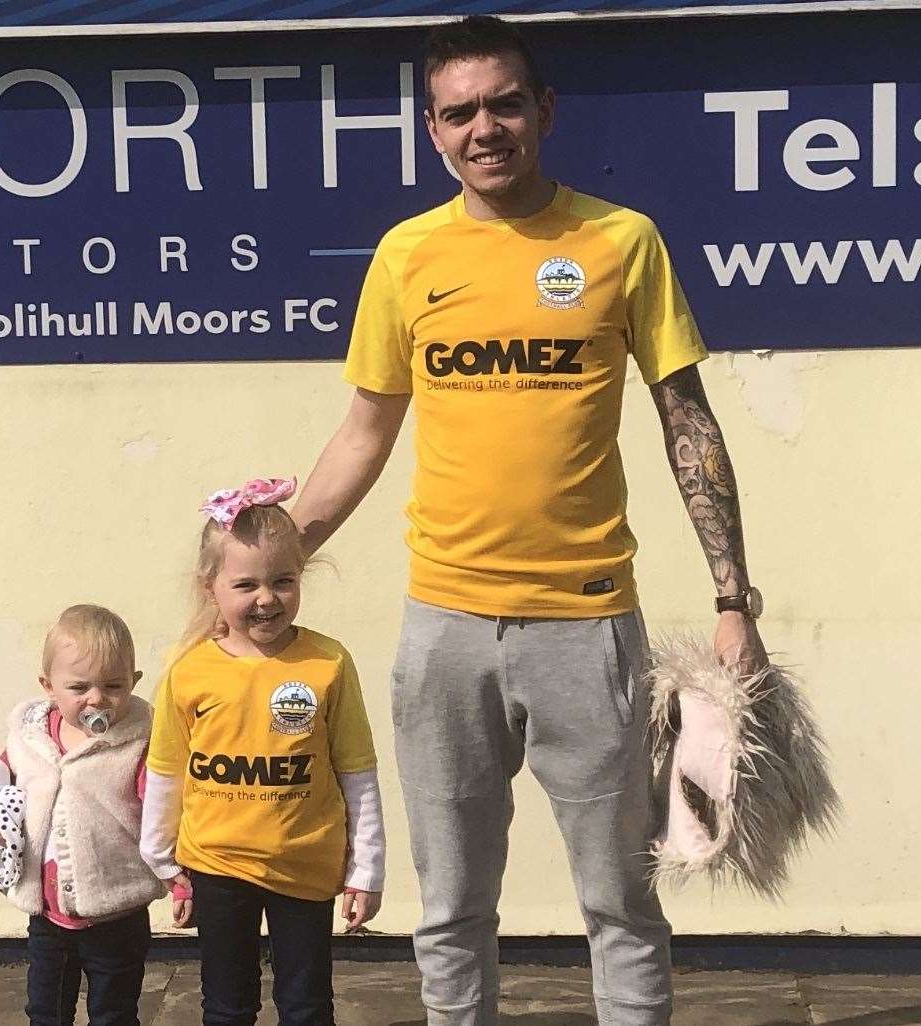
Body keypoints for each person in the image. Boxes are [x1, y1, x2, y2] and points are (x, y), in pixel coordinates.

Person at [288, 15, 768, 1026]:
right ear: (432, 130)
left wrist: (733, 600)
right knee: (452, 909)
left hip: (588, 631)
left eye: (504, 104)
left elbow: (687, 419)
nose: (483, 128)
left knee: (620, 900)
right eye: (458, 112)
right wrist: (260, 558)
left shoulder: (619, 241)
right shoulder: (406, 256)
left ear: (543, 111)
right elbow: (363, 433)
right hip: (444, 634)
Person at [140, 477, 386, 1026]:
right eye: (247, 584)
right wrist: (164, 863)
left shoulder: (328, 663)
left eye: (283, 580)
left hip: (307, 865)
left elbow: (357, 773)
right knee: (227, 1006)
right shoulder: (189, 669)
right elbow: (166, 773)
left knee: (306, 1006)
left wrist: (366, 868)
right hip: (217, 865)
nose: (266, 598)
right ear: (212, 588)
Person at [0, 604, 164, 1026]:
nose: (97, 699)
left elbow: (162, 809)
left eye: (114, 685)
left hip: (117, 911)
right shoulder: (30, 738)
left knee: (113, 1012)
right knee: (45, 1009)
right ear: (49, 687)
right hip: (48, 912)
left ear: (134, 682)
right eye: (79, 687)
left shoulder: (139, 741)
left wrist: (179, 873)